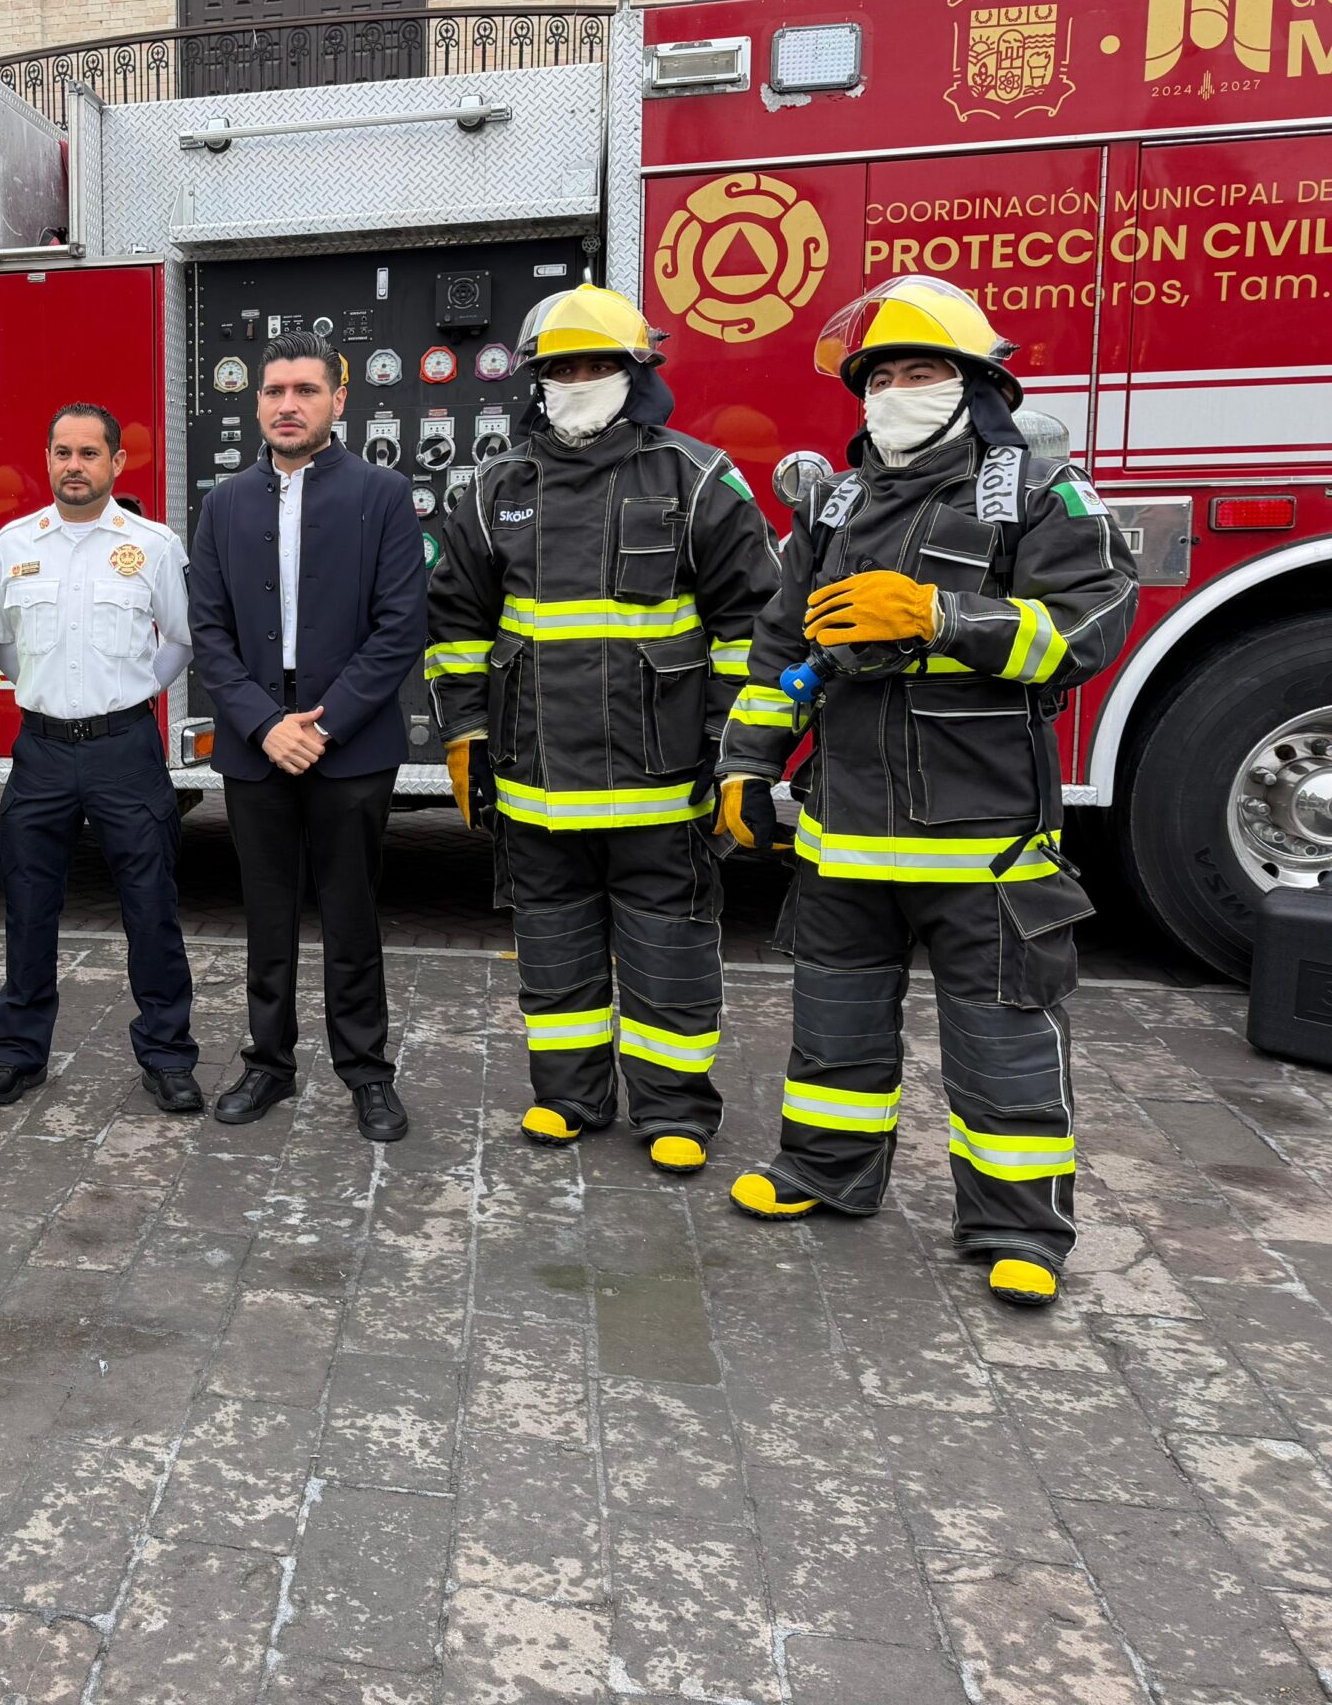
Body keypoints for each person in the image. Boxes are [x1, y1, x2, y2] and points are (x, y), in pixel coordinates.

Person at [714, 274, 1137, 1308]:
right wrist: (747, 763)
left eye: (921, 371)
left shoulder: (1035, 492)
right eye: (881, 377)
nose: (896, 392)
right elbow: (780, 650)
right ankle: (824, 1173)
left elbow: (1090, 626)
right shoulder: (835, 505)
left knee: (1003, 1040)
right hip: (846, 836)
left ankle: (1018, 1229)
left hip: (983, 844)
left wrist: (944, 618)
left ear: (975, 384)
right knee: (834, 1026)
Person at [425, 285, 779, 1172]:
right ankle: (568, 1095)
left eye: (596, 366)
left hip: (663, 783)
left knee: (669, 953)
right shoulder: (494, 490)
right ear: (536, 382)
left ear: (636, 373)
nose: (577, 381)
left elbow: (754, 629)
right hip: (535, 782)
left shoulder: (697, 478)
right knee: (553, 951)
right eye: (561, 369)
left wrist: (740, 756)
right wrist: (465, 733)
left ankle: (675, 1111)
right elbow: (457, 624)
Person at [188, 331, 423, 1142]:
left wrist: (322, 724)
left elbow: (400, 626)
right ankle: (269, 1064)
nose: (288, 405)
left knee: (352, 913)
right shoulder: (224, 504)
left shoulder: (383, 495)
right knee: (266, 914)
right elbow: (209, 631)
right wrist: (263, 725)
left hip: (347, 741)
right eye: (275, 391)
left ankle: (366, 1072)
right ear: (257, 402)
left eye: (306, 391)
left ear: (338, 401)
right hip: (257, 740)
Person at [0, 402, 200, 1113]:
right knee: (28, 908)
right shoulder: (12, 545)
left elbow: (182, 638)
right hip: (40, 751)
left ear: (116, 462)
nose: (74, 466)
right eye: (62, 453)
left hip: (125, 751)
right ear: (47, 460)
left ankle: (168, 1056)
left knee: (151, 908)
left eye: (89, 453)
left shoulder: (154, 545)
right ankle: (18, 1055)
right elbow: (2, 644)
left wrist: (133, 692)